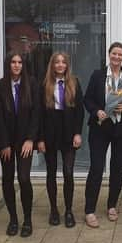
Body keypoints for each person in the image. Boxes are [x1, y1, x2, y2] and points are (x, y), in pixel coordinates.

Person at [83, 42, 122, 228]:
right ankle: (89, 209)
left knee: (118, 168)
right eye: (114, 54)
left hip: (121, 128)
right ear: (109, 55)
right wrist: (96, 111)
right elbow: (87, 99)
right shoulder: (98, 76)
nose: (116, 57)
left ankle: (112, 205)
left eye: (120, 55)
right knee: (97, 168)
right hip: (100, 127)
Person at [0, 51, 40, 237]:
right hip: (7, 142)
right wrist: (4, 143)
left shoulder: (32, 84)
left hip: (25, 141)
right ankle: (13, 219)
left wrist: (30, 139)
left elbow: (36, 114)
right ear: (8, 64)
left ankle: (27, 219)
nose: (17, 65)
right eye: (13, 62)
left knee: (24, 178)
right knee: (7, 179)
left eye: (20, 62)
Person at [36, 52, 85, 228]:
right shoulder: (44, 85)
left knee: (68, 172)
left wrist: (78, 133)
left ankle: (69, 211)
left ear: (67, 65)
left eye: (63, 62)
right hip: (49, 134)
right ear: (52, 65)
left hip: (69, 133)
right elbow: (39, 114)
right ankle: (54, 210)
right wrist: (39, 138)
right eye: (57, 62)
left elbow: (80, 111)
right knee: (51, 173)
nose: (60, 65)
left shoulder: (74, 82)